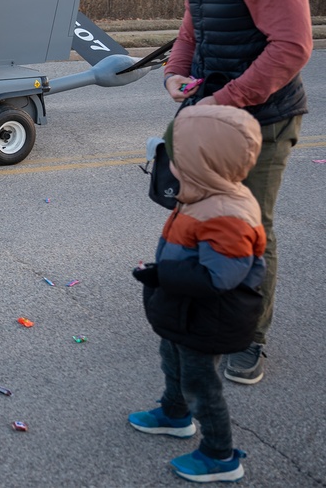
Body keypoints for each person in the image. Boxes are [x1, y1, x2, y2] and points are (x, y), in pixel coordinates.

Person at [162, 0, 313, 385]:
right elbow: (191, 29)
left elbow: (292, 49)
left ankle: (250, 338)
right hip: (210, 115)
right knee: (197, 213)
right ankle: (204, 308)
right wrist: (176, 74)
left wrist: (221, 102)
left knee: (250, 227)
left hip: (262, 121)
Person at [129, 104, 266, 483]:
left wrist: (162, 275)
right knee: (172, 359)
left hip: (209, 316)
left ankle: (220, 455)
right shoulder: (202, 195)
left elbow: (219, 277)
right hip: (186, 310)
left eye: (174, 157)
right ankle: (174, 414)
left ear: (202, 164)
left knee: (202, 385)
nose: (167, 163)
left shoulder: (228, 214)